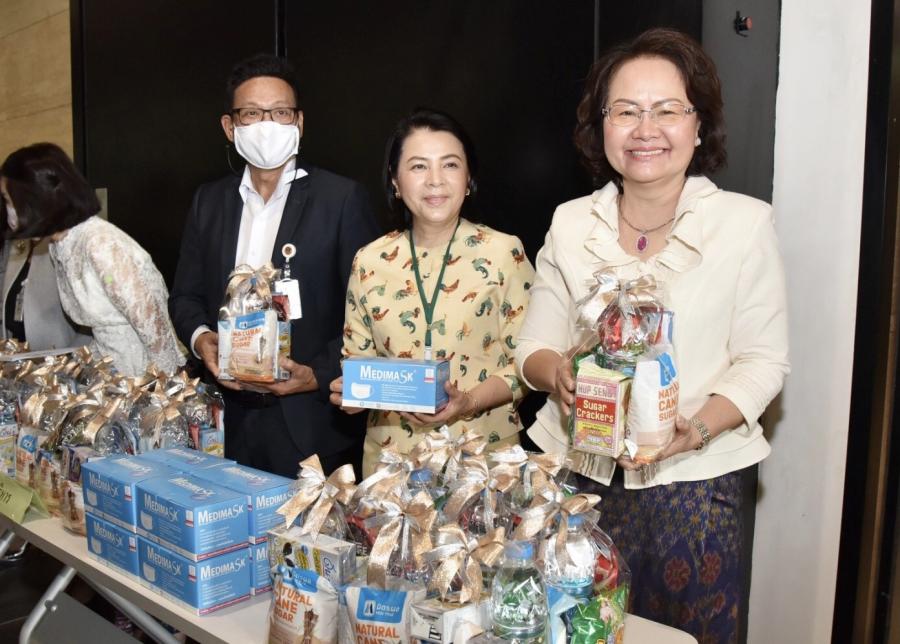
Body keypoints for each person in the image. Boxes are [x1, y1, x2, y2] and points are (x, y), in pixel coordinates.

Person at [515, 29, 789, 641]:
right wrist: (557, 374)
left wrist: (697, 429)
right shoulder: (571, 222)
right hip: (575, 478)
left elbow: (764, 361)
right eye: (626, 111)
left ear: (699, 125)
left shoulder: (744, 225)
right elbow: (531, 347)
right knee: (566, 629)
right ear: (601, 126)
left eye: (667, 110)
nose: (646, 129)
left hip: (693, 486)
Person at [169, 54, 380, 478]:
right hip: (225, 420)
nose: (267, 125)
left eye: (280, 112)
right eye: (252, 113)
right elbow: (185, 295)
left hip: (309, 423)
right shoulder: (208, 202)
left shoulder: (340, 200)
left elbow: (367, 313)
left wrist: (316, 375)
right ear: (230, 127)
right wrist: (202, 339)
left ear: (298, 122)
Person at [329, 109, 534, 476]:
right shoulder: (369, 261)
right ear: (395, 181)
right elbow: (358, 361)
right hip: (392, 465)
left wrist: (468, 401)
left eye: (450, 165)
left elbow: (528, 364)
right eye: (419, 166)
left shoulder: (503, 252)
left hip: (483, 462)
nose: (435, 180)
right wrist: (352, 394)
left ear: (468, 178)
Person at [0, 143, 183, 376]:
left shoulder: (100, 244)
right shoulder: (60, 245)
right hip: (109, 370)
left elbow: (153, 325)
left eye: (8, 200)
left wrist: (166, 385)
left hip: (142, 373)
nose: (7, 210)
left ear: (33, 198)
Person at [0, 236, 91, 350]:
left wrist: (70, 356)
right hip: (16, 350)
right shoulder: (19, 242)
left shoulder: (67, 243)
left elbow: (92, 319)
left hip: (59, 354)